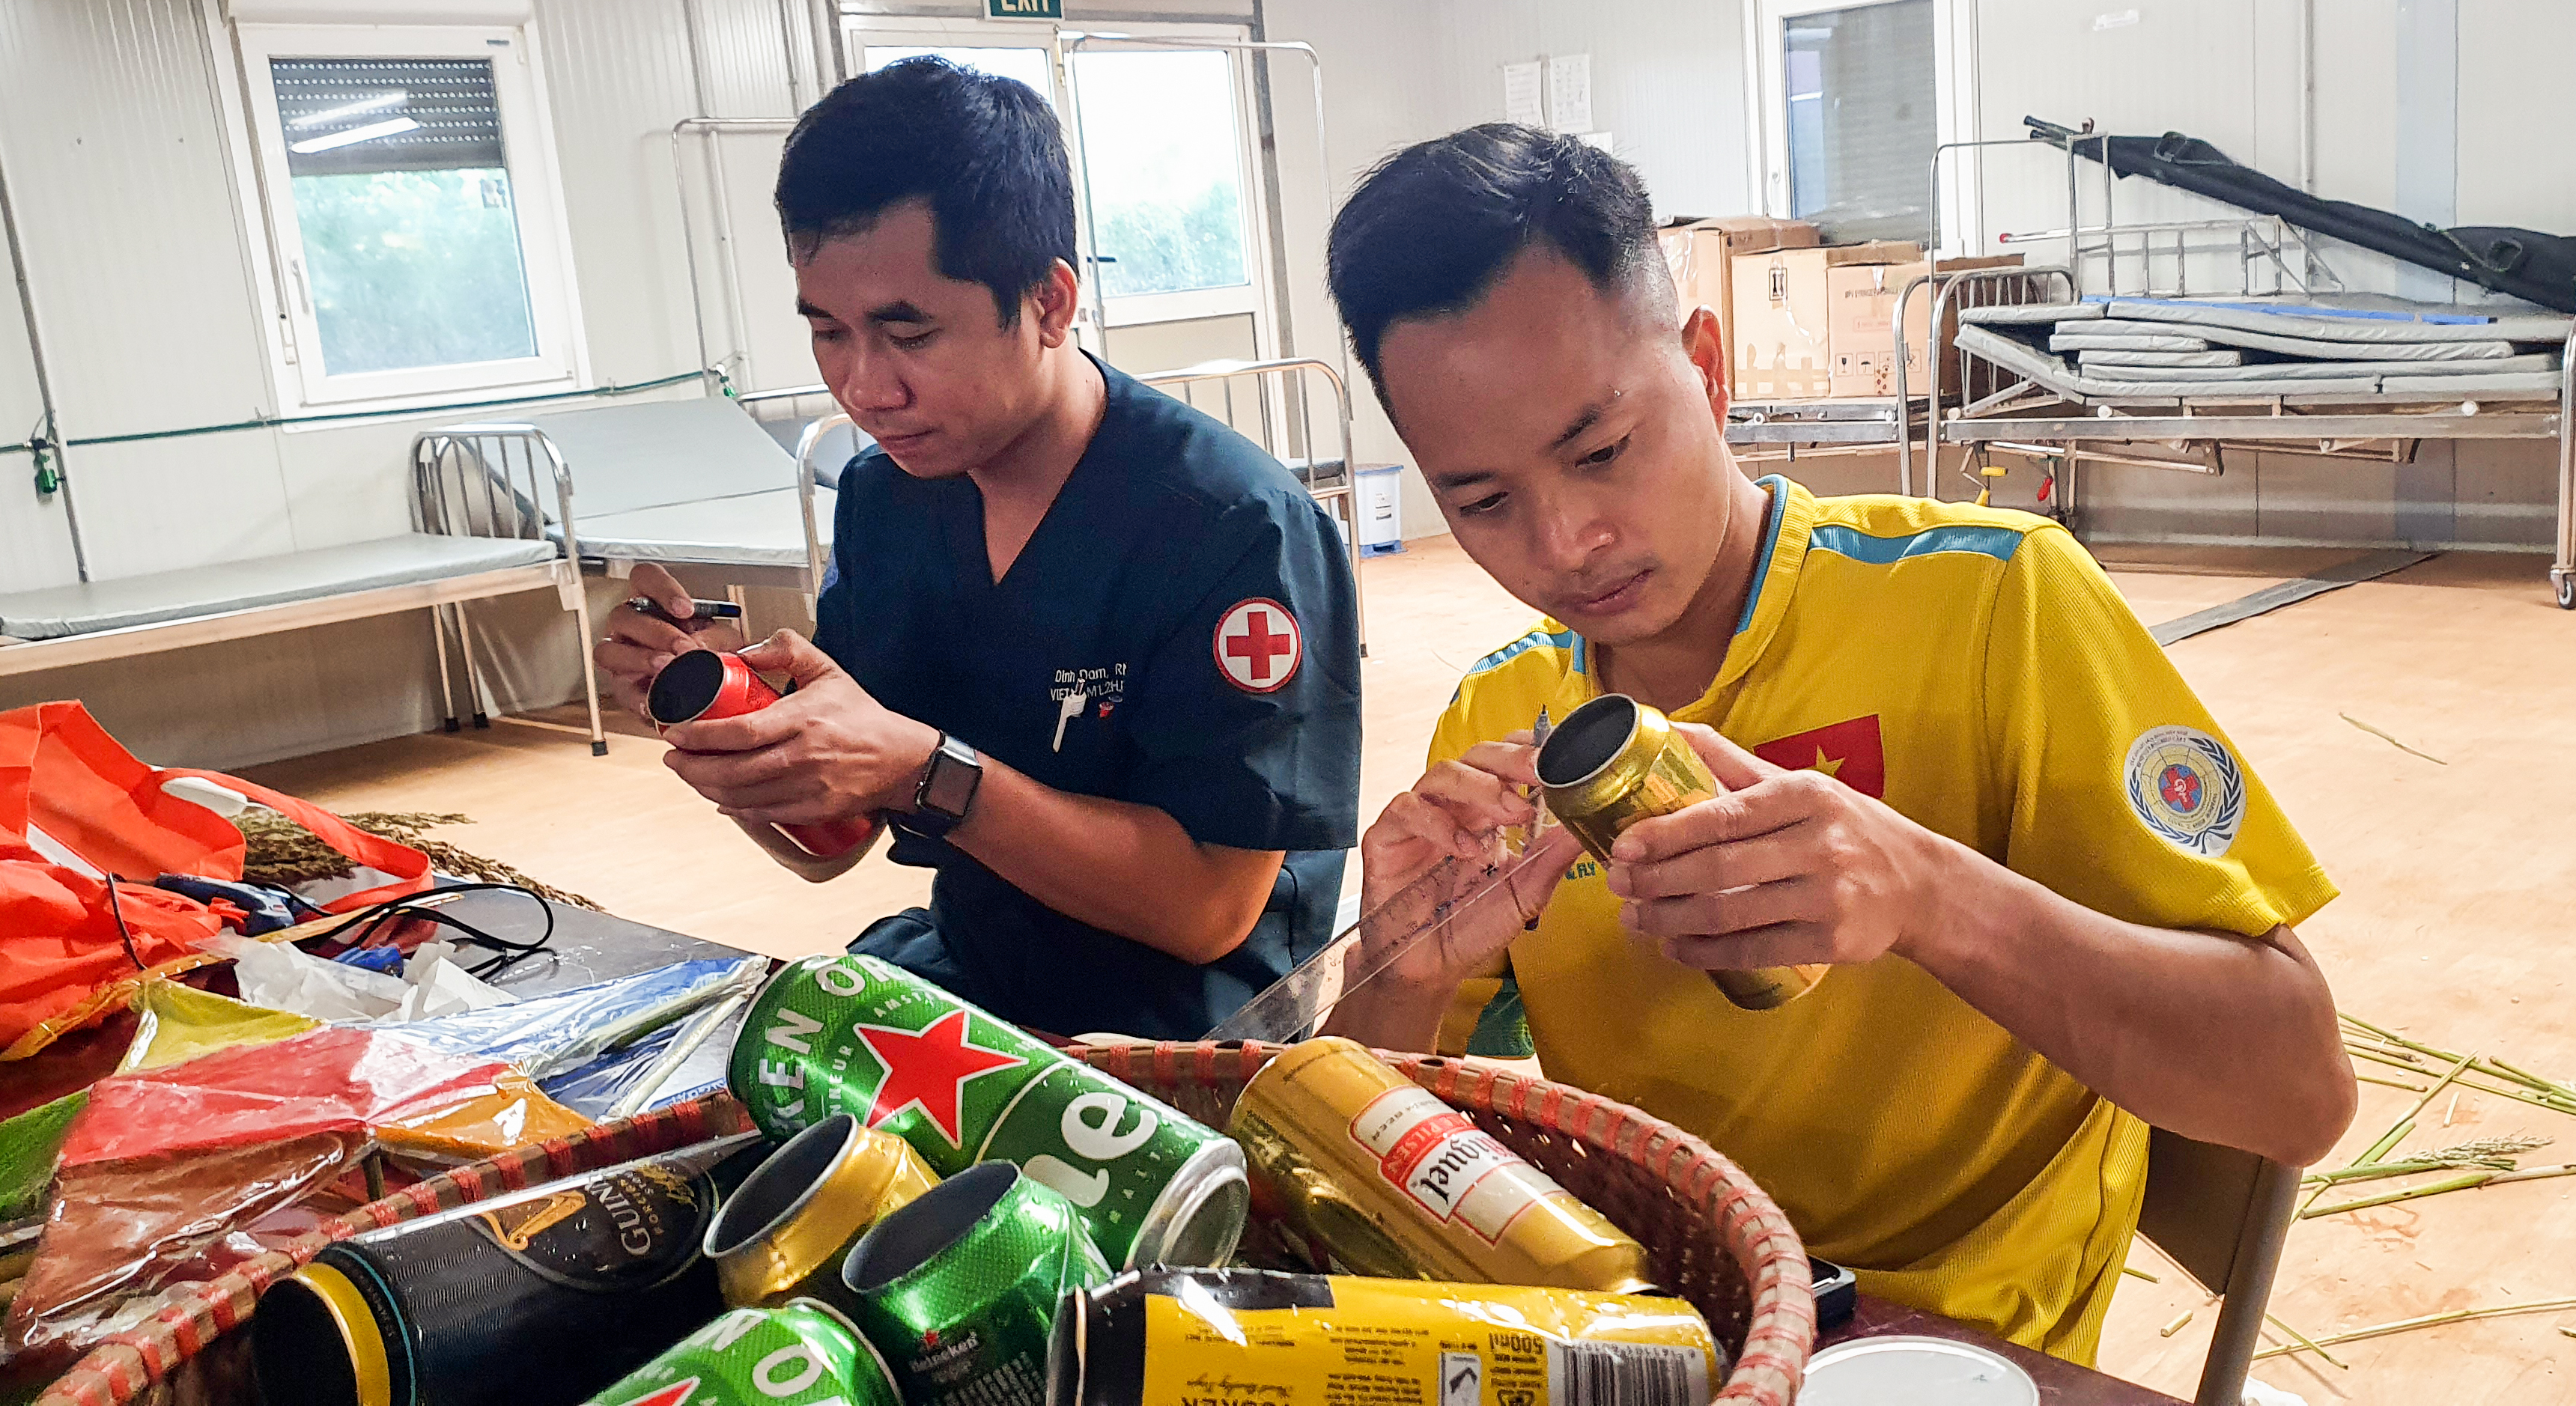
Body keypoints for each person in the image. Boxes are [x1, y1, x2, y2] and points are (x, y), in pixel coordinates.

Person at [1319, 124, 2354, 1363]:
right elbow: (1346, 1148)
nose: (1564, 540)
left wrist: (1928, 896)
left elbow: (2300, 1088)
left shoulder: (1990, 609)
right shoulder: (1503, 724)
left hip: (1947, 1351)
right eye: (1480, 501)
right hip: (1662, 1325)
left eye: (1600, 452)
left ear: (1704, 366)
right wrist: (1404, 972)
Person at [594, 59, 1360, 1041]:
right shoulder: (888, 499)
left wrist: (925, 771)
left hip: (1179, 1037)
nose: (864, 388)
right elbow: (832, 845)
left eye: (908, 333)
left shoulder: (1225, 525)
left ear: (1049, 302)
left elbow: (1205, 909)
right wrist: (720, 716)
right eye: (829, 332)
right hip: (973, 977)